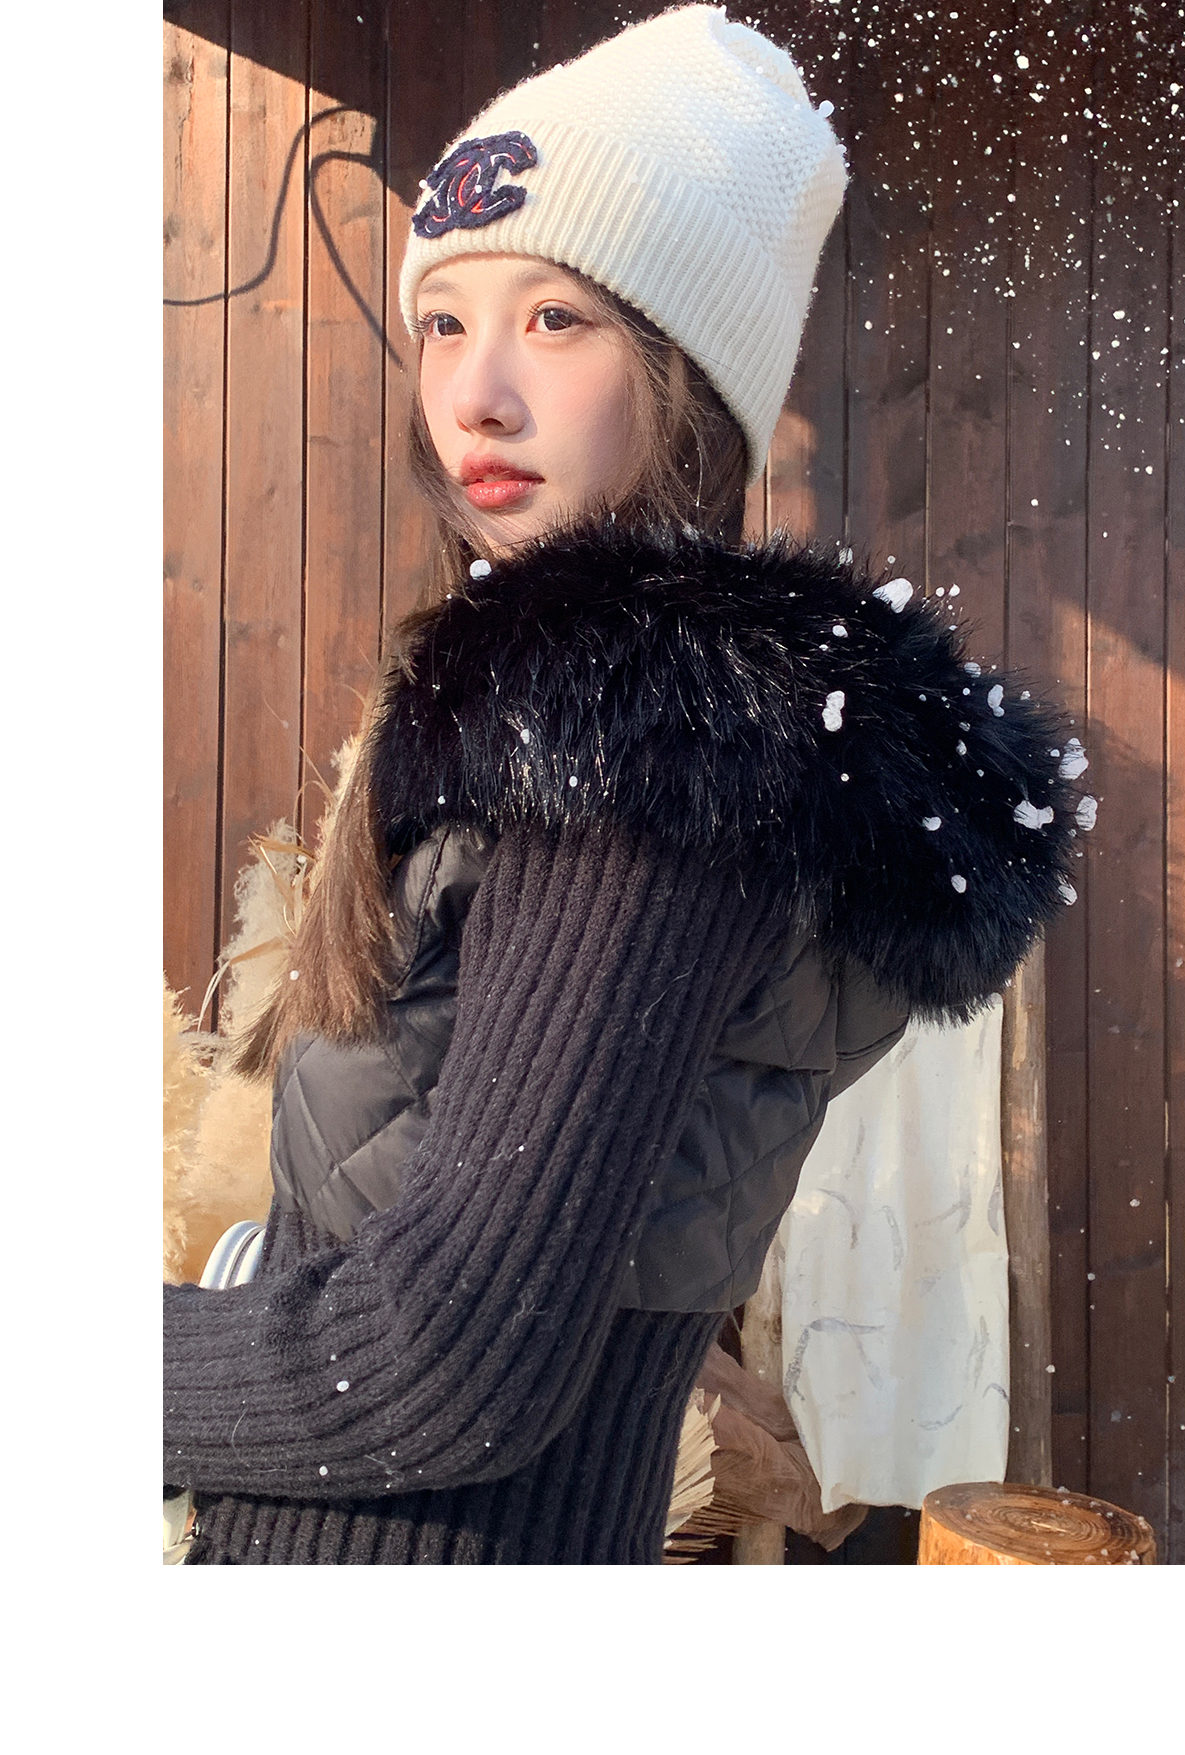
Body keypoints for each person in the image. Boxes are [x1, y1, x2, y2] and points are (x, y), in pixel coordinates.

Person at [163, 3, 1081, 1565]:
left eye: (557, 319)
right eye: (442, 321)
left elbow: (445, 1361)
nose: (476, 392)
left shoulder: (652, 744)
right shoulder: (585, 723)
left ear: (689, 373)